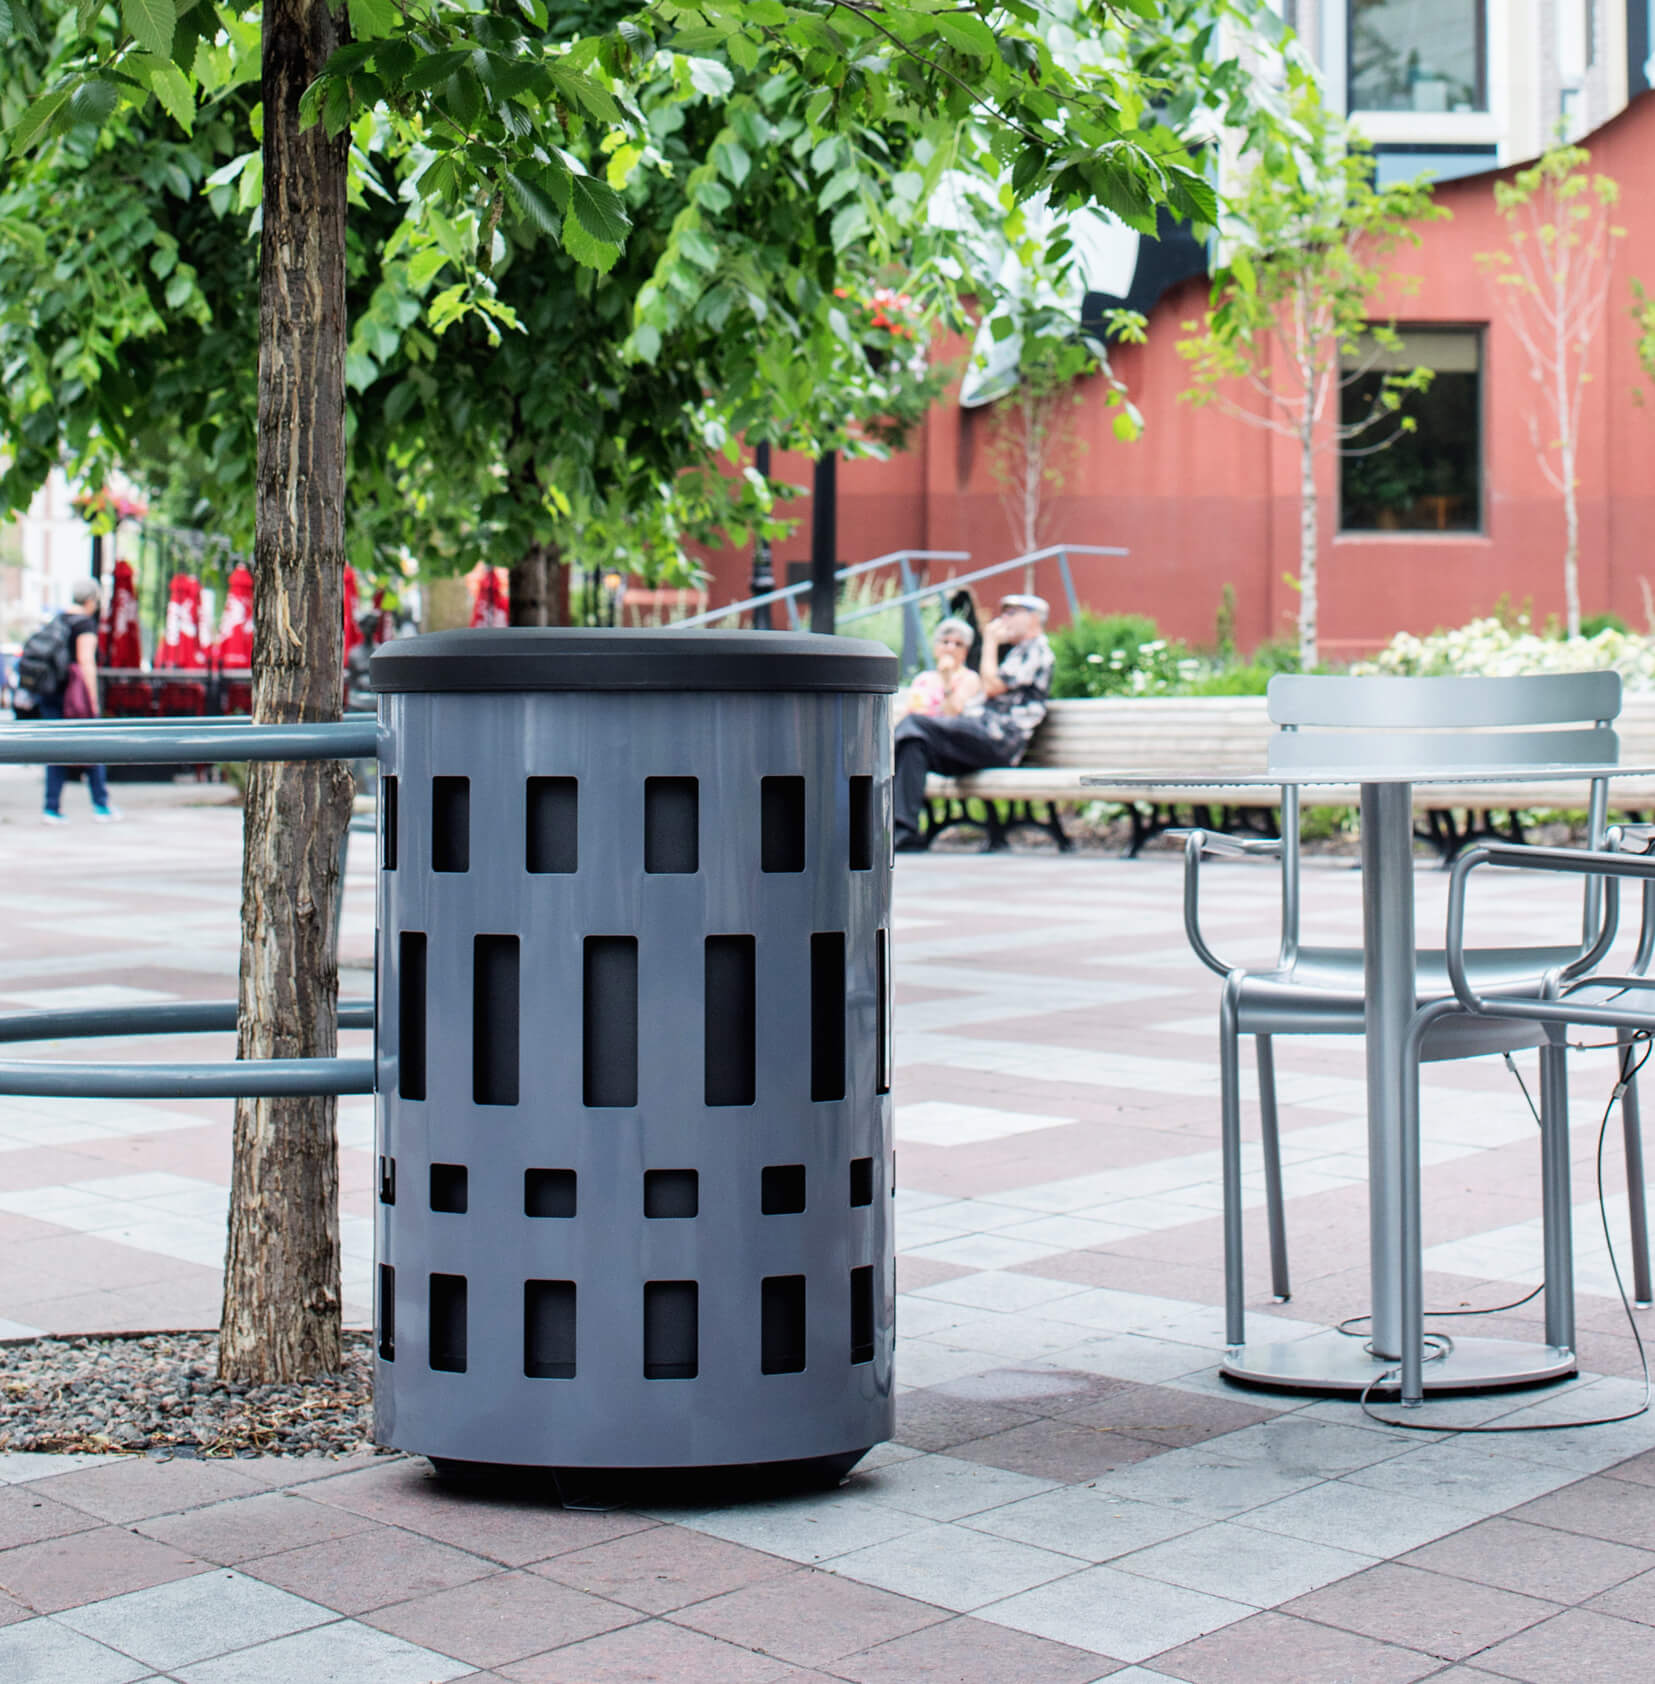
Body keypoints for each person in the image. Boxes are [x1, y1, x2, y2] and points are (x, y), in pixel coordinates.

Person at [893, 592, 1055, 850]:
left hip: (999, 739)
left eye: (1012, 613)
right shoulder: (1017, 653)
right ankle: (904, 832)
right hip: (981, 735)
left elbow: (991, 686)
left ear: (1033, 618)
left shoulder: (1037, 650)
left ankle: (878, 817)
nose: (1004, 619)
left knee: (915, 724)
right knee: (913, 743)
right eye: (1004, 612)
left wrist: (989, 641)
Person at [38, 580, 120, 826]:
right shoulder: (85, 624)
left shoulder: (58, 619)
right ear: (92, 600)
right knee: (92, 746)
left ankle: (51, 808)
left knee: (55, 750)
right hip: (74, 696)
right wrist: (93, 700)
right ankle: (101, 805)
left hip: (52, 693)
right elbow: (86, 661)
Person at [897, 617, 983, 720]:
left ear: (965, 652)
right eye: (945, 642)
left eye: (958, 644)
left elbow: (952, 713)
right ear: (936, 648)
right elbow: (908, 712)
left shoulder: (970, 678)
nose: (951, 648)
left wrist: (947, 679)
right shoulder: (923, 678)